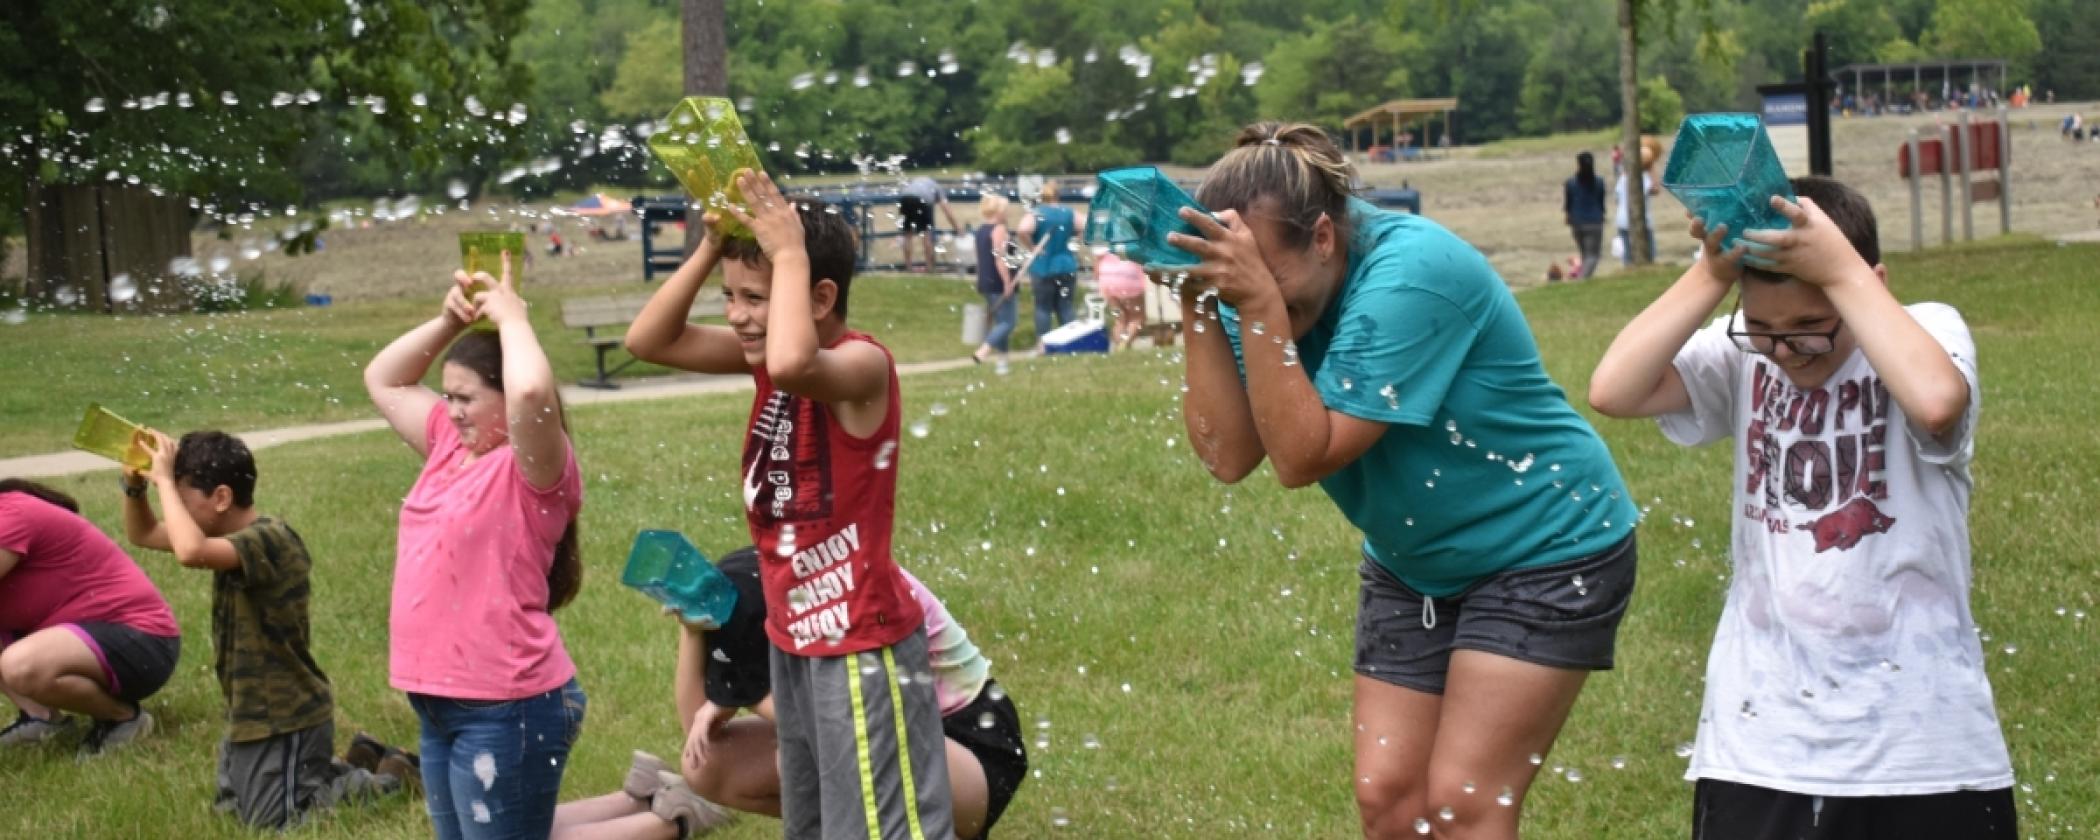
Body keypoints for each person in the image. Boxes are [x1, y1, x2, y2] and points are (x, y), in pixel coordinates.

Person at [1167, 122, 1638, 839]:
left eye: (1267, 281)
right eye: (1240, 284)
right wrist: (1198, 302)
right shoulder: (1254, 290)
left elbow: (1303, 456)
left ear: (1324, 236)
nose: (1256, 297)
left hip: (1547, 543)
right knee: (1388, 798)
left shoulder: (1413, 272)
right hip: (1415, 564)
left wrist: (1258, 304)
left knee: (1464, 801)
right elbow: (1229, 456)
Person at [1588, 177, 2015, 840]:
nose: (1785, 351)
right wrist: (1710, 273)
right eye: (1762, 329)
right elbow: (1615, 388)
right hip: (1761, 747)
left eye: (1811, 330)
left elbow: (1935, 401)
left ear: (1869, 284)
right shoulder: (1750, 360)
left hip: (1924, 748)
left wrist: (1842, 270)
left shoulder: (1925, 329)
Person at [624, 171, 954, 839]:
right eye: (730, 297)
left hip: (860, 644)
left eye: (757, 298)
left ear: (819, 296)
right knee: (818, 825)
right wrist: (712, 248)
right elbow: (648, 341)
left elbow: (798, 363)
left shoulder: (863, 366)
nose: (738, 314)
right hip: (793, 642)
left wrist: (793, 252)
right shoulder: (767, 362)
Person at [551, 548, 1026, 840]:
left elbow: (843, 720)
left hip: (971, 749)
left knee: (801, 753)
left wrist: (745, 693)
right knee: (707, 761)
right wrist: (693, 630)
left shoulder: (835, 589)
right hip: (898, 744)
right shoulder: (754, 582)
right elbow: (695, 727)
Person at [363, 251, 588, 840]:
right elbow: (384, 378)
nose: (452, 411)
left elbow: (534, 390)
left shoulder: (533, 471)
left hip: (507, 707)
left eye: (467, 398)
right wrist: (449, 323)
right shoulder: (446, 444)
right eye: (449, 397)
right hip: (440, 702)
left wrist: (513, 318)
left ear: (504, 401)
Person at [119, 429, 415, 829]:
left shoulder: (270, 539)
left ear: (221, 498)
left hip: (286, 712)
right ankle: (357, 756)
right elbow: (142, 534)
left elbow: (189, 552)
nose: (174, 510)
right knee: (231, 810)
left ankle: (390, 780)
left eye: (182, 501)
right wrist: (135, 487)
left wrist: (166, 481)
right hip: (251, 710)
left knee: (272, 821)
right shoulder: (226, 539)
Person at [0, 479, 180, 756]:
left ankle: (121, 717)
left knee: (20, 666)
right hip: (77, 640)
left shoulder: (9, 515)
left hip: (141, 641)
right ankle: (41, 717)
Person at [1018, 180, 1082, 345]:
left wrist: (1033, 247)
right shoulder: (1069, 213)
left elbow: (1023, 229)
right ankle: (1071, 342)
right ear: (1058, 195)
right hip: (1066, 265)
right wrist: (1074, 240)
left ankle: (1043, 344)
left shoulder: (1037, 213)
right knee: (1066, 307)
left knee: (1043, 308)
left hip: (1043, 266)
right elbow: (1086, 225)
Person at [971, 194, 1022, 367]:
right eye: (1005, 210)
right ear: (999, 211)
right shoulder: (999, 229)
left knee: (1001, 322)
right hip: (999, 281)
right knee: (1009, 322)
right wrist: (1007, 282)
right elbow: (1000, 259)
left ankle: (1003, 362)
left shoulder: (980, 230)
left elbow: (980, 257)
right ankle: (984, 349)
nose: (1007, 214)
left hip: (987, 280)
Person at [899, 175, 962, 273]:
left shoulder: (916, 181)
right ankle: (929, 266)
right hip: (923, 199)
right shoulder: (937, 187)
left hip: (905, 198)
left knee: (907, 234)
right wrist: (958, 228)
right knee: (926, 234)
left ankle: (908, 266)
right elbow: (947, 210)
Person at [1565, 152, 1607, 279]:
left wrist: (1569, 216)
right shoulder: (1599, 182)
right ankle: (1582, 279)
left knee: (1585, 253)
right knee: (1593, 255)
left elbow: (1568, 203)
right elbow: (1601, 201)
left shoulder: (1571, 183)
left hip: (1577, 221)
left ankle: (1583, 277)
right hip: (1594, 222)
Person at [1096, 249, 1148, 349]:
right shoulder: (1134, 236)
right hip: (1129, 277)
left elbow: (1098, 259)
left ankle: (1119, 346)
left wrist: (1100, 280)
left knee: (1120, 320)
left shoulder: (1108, 235)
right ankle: (1124, 344)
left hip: (1108, 278)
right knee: (1137, 317)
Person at [1616, 144, 1659, 266]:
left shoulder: (1624, 176)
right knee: (1649, 253)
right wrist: (1652, 168)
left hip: (1622, 219)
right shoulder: (1643, 177)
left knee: (1628, 253)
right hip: (1640, 219)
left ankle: (1629, 268)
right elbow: (1655, 190)